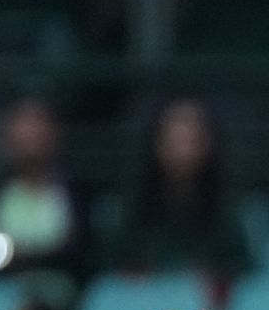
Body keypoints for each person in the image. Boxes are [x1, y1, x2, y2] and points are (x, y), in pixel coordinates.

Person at [107, 100, 252, 281]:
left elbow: (243, 274)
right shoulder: (122, 211)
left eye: (191, 140)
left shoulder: (233, 212)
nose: (183, 151)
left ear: (209, 143)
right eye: (173, 140)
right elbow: (110, 277)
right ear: (155, 142)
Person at [0, 95, 92, 284]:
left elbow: (83, 258)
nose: (29, 132)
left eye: (38, 121)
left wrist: (29, 258)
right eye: (21, 121)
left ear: (56, 131)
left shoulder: (79, 195)